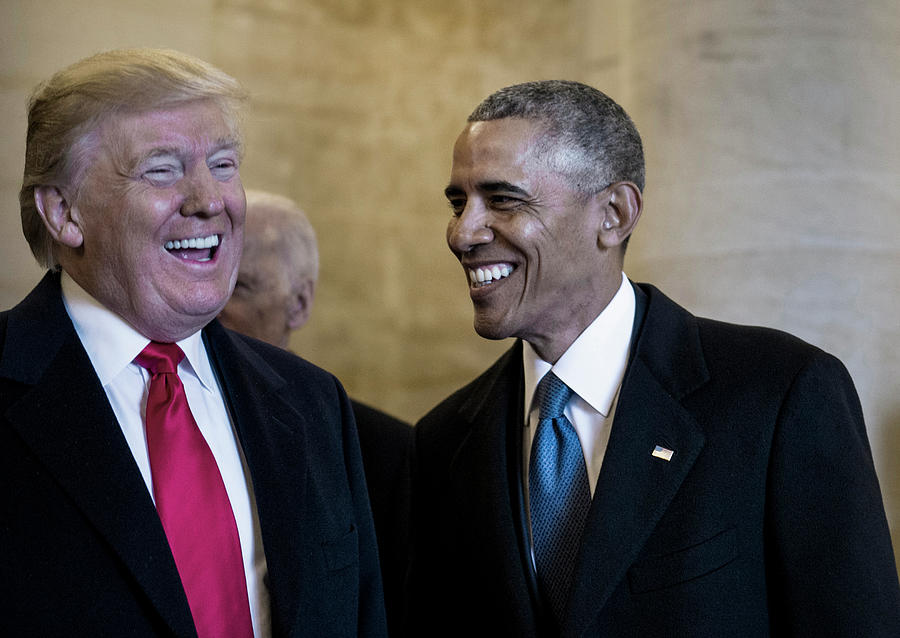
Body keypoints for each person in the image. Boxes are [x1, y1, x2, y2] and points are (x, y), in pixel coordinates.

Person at [409, 80, 900, 636]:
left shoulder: (779, 394)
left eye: (502, 200)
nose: (462, 233)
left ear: (614, 214)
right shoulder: (442, 441)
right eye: (458, 202)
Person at [0, 48, 386, 637]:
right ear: (63, 211)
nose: (210, 200)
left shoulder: (313, 404)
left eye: (225, 165)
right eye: (162, 169)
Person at [219, 189, 412, 635]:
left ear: (300, 303)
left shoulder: (385, 453)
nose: (214, 307)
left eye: (240, 288)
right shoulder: (157, 421)